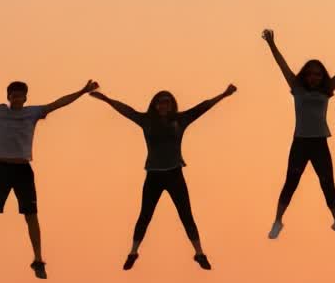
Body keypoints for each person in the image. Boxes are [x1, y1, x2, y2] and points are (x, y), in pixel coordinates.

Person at [0, 66, 97, 279]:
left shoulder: (33, 113)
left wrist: (82, 91)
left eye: (20, 96)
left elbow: (59, 103)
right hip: (3, 168)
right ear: (8, 97)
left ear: (25, 98)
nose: (16, 99)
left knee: (31, 216)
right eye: (13, 95)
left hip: (23, 169)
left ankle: (38, 260)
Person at [90, 84, 237, 271]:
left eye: (166, 102)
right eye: (160, 102)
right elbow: (126, 110)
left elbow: (203, 107)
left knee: (186, 215)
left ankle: (199, 253)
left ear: (171, 105)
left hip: (174, 173)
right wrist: (106, 99)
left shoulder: (180, 120)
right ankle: (133, 252)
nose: (163, 105)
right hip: (154, 175)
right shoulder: (147, 121)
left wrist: (223, 94)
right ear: (155, 105)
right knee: (145, 215)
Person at [262, 28, 335, 241]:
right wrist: (271, 43)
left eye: (317, 74)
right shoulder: (297, 88)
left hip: (320, 142)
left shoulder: (326, 89)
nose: (314, 77)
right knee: (291, 182)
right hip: (301, 142)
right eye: (310, 73)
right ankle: (277, 221)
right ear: (305, 75)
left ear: (321, 77)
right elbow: (282, 65)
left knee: (327, 182)